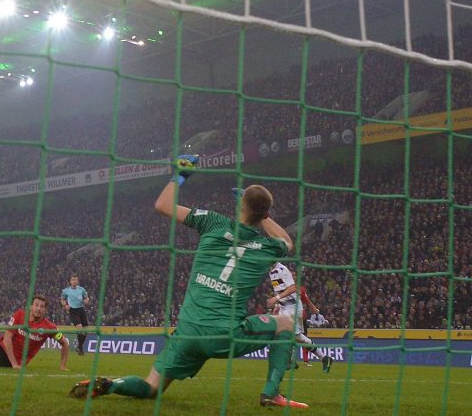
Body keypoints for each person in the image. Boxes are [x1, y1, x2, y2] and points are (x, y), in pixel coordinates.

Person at [69, 154, 309, 408]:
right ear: (265, 214)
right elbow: (287, 241)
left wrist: (180, 174)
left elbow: (162, 205)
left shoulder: (213, 222)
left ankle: (113, 384)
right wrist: (263, 217)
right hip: (224, 335)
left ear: (240, 206)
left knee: (151, 387)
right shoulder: (266, 246)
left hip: (187, 332)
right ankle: (271, 393)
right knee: (285, 322)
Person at [61, 274, 90, 355]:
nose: (74, 281)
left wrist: (86, 300)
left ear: (77, 281)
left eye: (75, 280)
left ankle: (80, 347)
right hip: (73, 311)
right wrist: (65, 305)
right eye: (72, 280)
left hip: (81, 310)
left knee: (85, 331)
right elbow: (62, 299)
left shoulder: (81, 290)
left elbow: (86, 298)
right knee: (80, 328)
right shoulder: (66, 291)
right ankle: (80, 347)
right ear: (70, 281)